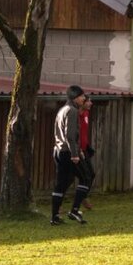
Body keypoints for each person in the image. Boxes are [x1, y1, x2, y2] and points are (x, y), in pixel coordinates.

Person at [51, 85, 89, 225]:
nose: (84, 98)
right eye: (82, 96)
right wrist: (75, 154)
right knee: (86, 178)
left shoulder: (62, 110)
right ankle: (74, 210)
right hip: (67, 152)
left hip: (58, 150)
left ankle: (55, 217)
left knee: (63, 182)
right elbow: (70, 135)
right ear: (75, 97)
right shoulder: (72, 111)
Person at [77, 95, 97, 211]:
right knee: (69, 177)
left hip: (84, 149)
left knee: (91, 174)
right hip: (76, 150)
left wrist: (87, 146)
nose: (91, 103)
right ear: (82, 102)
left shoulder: (86, 113)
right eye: (89, 101)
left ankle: (83, 196)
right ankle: (59, 204)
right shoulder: (76, 115)